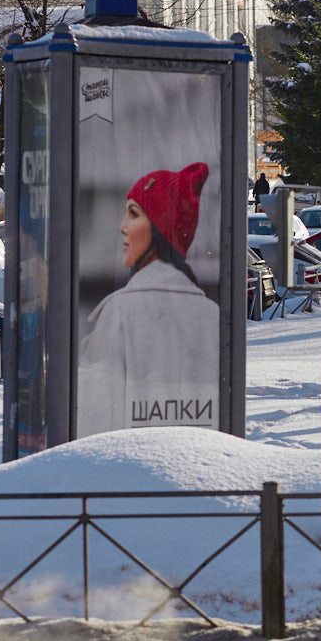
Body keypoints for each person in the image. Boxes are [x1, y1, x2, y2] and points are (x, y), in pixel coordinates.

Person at [75, 162, 220, 437]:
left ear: (160, 226)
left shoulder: (120, 311)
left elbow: (92, 426)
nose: (122, 226)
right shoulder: (212, 314)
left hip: (129, 457)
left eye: (133, 213)